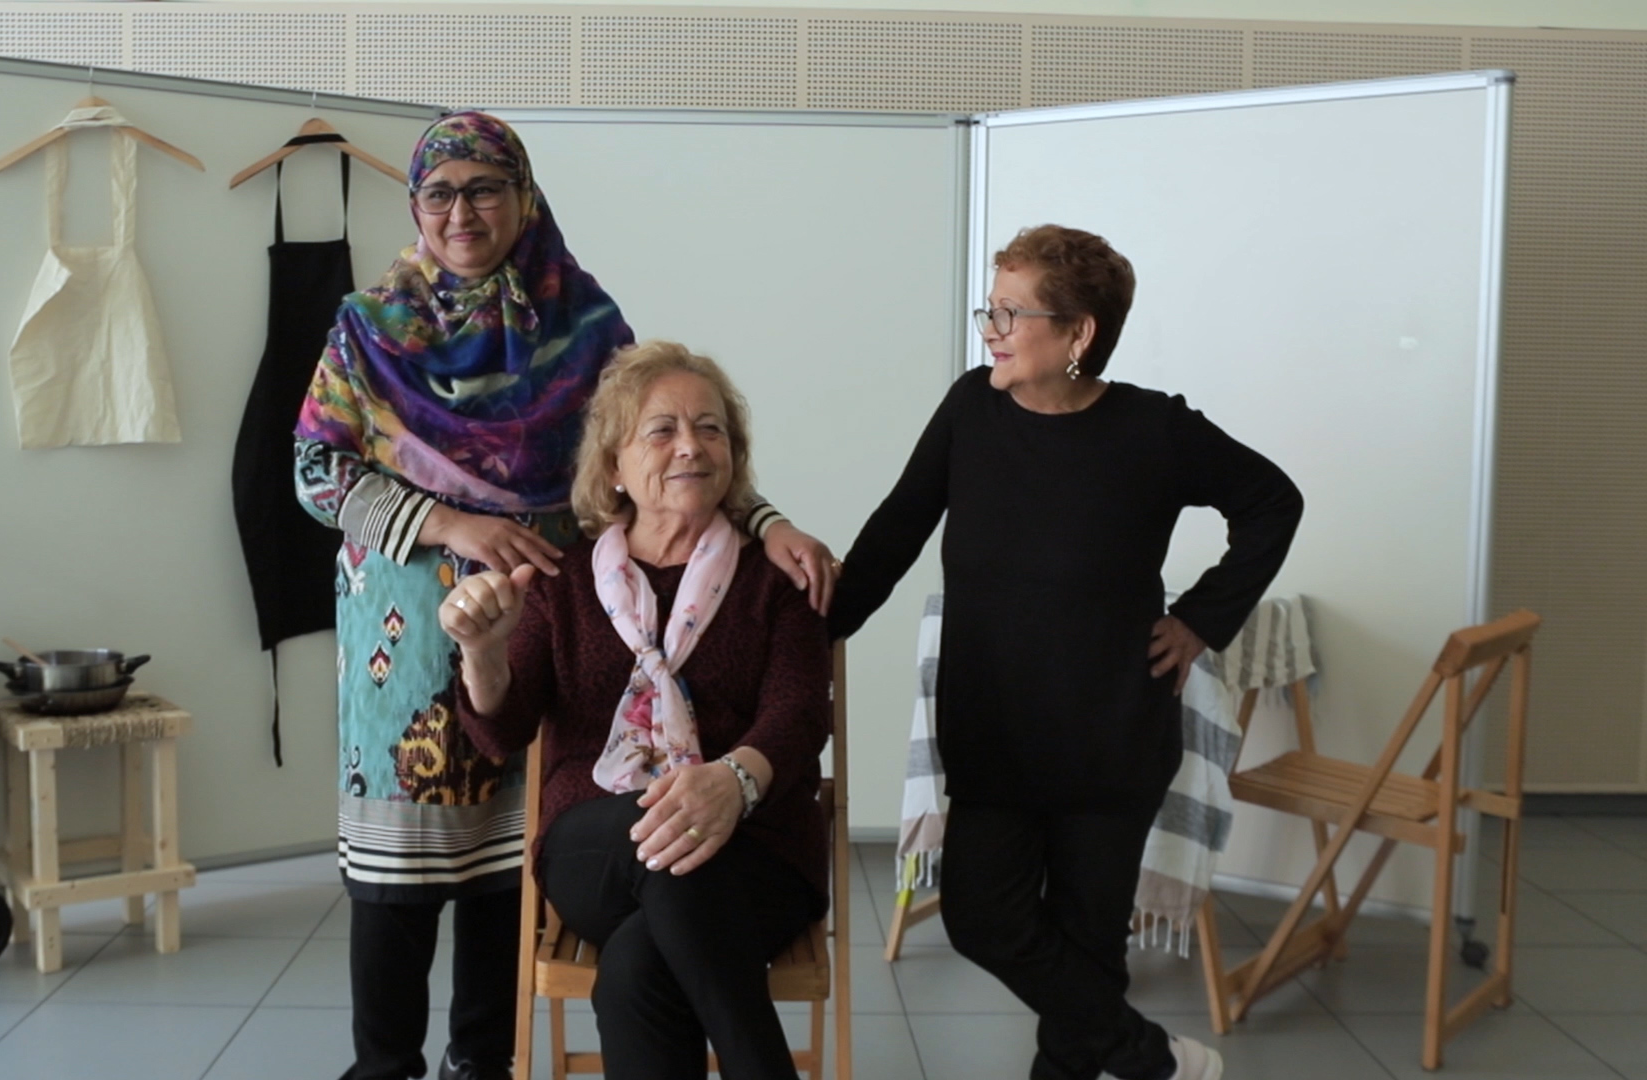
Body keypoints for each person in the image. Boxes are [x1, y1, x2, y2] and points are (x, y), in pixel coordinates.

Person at [293, 114, 839, 1080]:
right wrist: (451, 525)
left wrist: (766, 522)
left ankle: (482, 1060)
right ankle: (384, 1067)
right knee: (399, 867)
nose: (463, 212)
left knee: (512, 855)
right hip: (406, 626)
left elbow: (663, 444)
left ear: (525, 197)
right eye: (440, 193)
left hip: (567, 610)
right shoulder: (369, 327)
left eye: (486, 188)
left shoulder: (582, 322)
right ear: (415, 206)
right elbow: (312, 470)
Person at [829, 224, 1303, 1080]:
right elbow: (896, 529)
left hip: (1110, 738)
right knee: (981, 918)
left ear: (1079, 332)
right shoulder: (971, 409)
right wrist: (810, 632)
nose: (992, 330)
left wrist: (1201, 619)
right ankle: (1150, 1055)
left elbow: (1274, 501)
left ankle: (1111, 1053)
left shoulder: (1154, 430)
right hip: (994, 734)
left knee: (1088, 948)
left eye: (1012, 313)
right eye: (990, 310)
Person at [439, 341, 833, 1080]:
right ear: (614, 464)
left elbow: (800, 714)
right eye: (663, 430)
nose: (691, 446)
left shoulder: (775, 577)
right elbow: (501, 731)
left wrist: (732, 783)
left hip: (760, 848)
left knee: (637, 968)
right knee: (668, 842)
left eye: (710, 429)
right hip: (596, 845)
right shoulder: (560, 583)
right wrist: (484, 654)